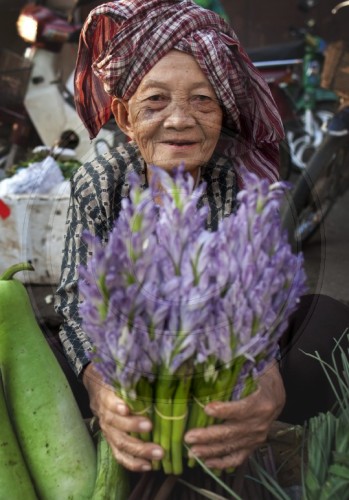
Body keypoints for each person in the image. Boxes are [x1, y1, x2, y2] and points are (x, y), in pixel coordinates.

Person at [54, 0, 349, 492]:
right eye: (155, 102)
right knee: (62, 358)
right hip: (138, 367)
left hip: (217, 364)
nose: (179, 120)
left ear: (222, 113)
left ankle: (235, 445)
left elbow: (258, 293)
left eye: (202, 100)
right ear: (125, 117)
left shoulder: (234, 180)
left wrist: (267, 370)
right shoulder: (101, 181)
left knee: (326, 325)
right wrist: (97, 385)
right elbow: (72, 298)